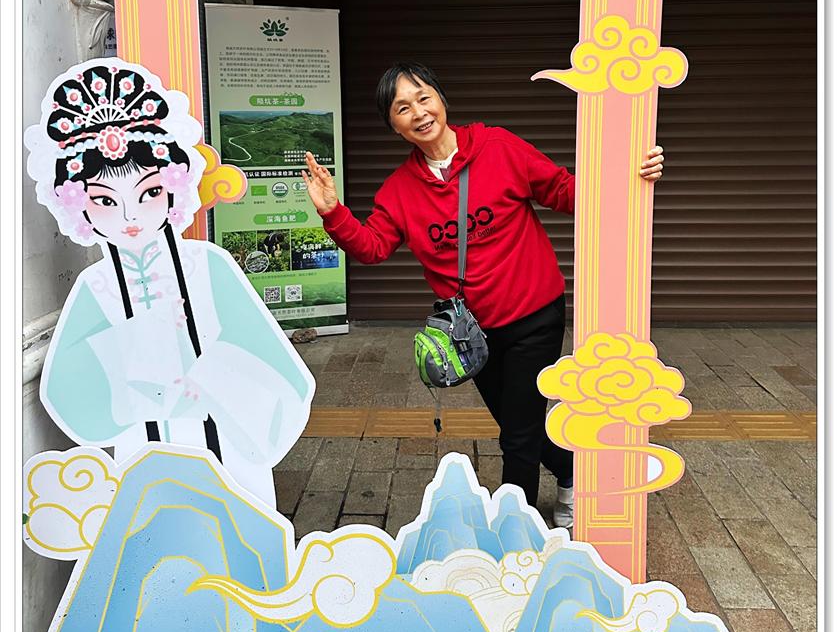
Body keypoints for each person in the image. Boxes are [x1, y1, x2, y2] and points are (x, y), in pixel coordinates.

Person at [302, 62, 664, 528]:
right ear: (394, 125)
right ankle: (573, 470)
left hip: (535, 316)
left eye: (424, 97)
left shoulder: (498, 147)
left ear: (441, 99)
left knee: (517, 437)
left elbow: (565, 191)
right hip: (473, 334)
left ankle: (519, 535)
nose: (419, 112)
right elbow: (372, 247)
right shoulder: (399, 191)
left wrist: (628, 175)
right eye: (403, 107)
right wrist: (333, 212)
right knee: (519, 423)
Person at [25, 58, 315, 508]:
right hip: (140, 452)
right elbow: (68, 390)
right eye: (105, 201)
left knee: (234, 530)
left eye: (149, 193)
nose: (130, 217)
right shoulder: (95, 285)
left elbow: (275, 362)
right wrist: (127, 372)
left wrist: (208, 373)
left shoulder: (207, 265)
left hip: (227, 445)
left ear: (174, 187)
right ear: (76, 204)